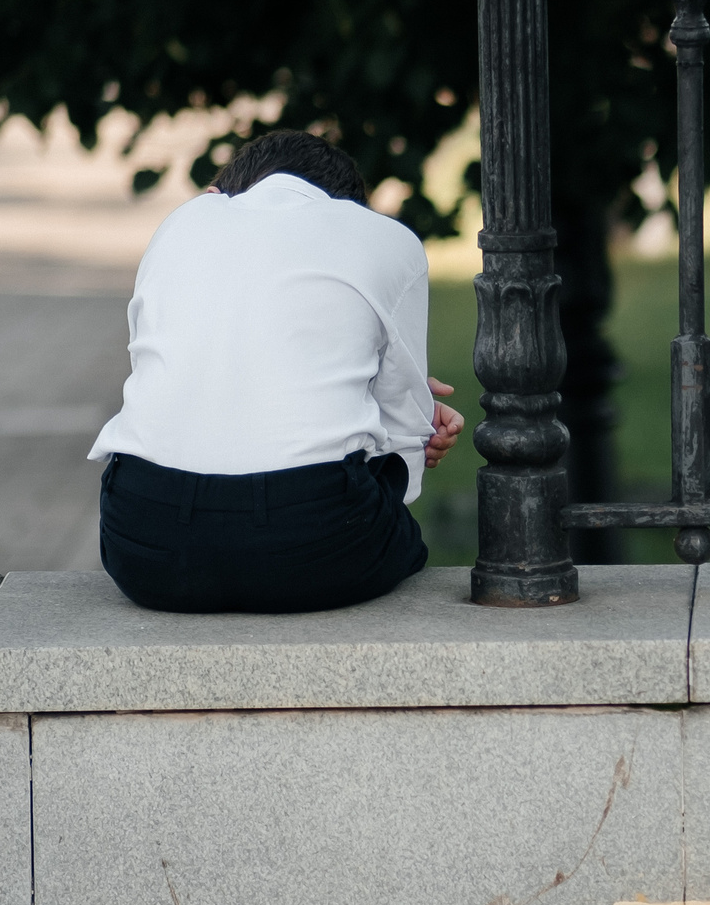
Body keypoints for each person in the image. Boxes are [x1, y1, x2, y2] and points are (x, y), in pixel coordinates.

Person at [86, 129, 465, 612]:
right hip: (313, 544)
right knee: (397, 531)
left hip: (142, 545)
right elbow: (402, 440)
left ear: (217, 194)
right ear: (351, 209)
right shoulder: (386, 239)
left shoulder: (182, 222)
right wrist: (406, 400)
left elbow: (158, 369)